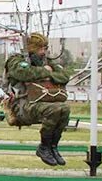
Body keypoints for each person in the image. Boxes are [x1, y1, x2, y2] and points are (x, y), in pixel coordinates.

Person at [5, 33, 72, 166]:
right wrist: (46, 72)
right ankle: (44, 147)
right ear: (31, 48)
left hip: (42, 104)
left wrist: (44, 73)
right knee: (55, 109)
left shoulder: (47, 62)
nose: (44, 52)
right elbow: (23, 73)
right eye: (41, 49)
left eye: (45, 48)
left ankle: (51, 146)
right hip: (23, 106)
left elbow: (64, 75)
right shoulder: (16, 61)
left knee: (65, 109)